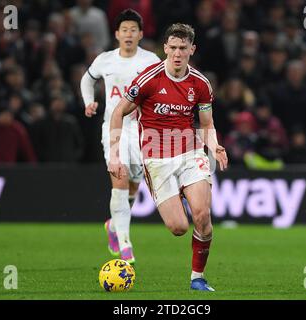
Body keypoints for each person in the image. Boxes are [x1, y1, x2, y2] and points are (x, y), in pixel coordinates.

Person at [108, 23, 228, 291]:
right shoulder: (148, 79)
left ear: (191, 50)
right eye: (172, 48)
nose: (176, 53)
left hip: (190, 152)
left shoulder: (200, 83)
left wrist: (215, 146)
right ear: (164, 48)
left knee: (202, 216)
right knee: (178, 228)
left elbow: (206, 124)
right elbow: (118, 112)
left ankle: (197, 277)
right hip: (157, 158)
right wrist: (115, 154)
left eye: (182, 48)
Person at [80, 9, 160, 264]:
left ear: (140, 34)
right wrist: (89, 102)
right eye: (124, 30)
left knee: (134, 185)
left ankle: (113, 226)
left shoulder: (151, 61)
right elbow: (87, 80)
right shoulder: (105, 60)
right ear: (116, 34)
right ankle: (126, 246)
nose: (128, 34)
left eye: (133, 30)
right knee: (120, 179)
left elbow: (162, 89)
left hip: (141, 131)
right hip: (113, 129)